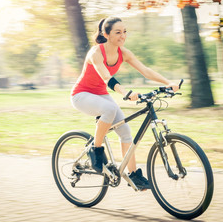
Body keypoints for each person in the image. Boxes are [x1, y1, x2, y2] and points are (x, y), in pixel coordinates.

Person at [71, 16, 179, 190]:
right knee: (110, 108)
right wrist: (125, 93)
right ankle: (96, 150)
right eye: (118, 32)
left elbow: (146, 71)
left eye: (125, 32)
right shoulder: (96, 53)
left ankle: (133, 174)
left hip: (100, 94)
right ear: (106, 34)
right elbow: (107, 77)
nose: (123, 36)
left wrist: (168, 83)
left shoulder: (124, 53)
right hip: (81, 95)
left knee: (126, 133)